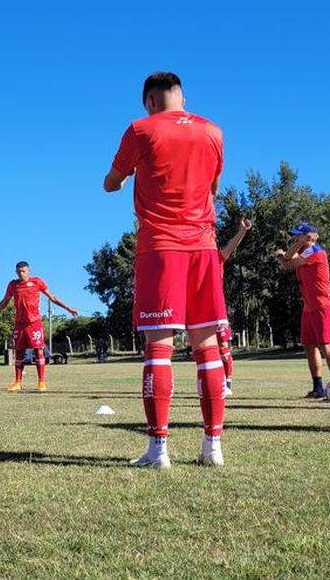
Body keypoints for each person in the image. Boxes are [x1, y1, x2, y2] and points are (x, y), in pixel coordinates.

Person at [104, 71, 228, 469]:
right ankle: (213, 447)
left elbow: (111, 182)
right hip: (204, 246)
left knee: (159, 346)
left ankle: (159, 450)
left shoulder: (141, 129)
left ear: (150, 102)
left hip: (160, 248)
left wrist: (126, 180)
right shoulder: (213, 132)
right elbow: (214, 189)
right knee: (207, 348)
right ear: (182, 97)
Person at [275, 222, 330, 399]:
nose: (295, 238)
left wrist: (283, 256)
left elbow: (287, 263)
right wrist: (286, 254)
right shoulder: (304, 251)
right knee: (309, 346)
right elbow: (289, 257)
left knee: (326, 346)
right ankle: (318, 388)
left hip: (324, 304)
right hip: (310, 306)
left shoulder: (315, 252)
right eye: (295, 235)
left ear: (309, 236)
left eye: (298, 235)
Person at [0, 261, 79, 392]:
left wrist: (69, 308)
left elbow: (52, 297)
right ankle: (17, 382)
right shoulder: (13, 285)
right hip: (20, 324)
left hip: (34, 323)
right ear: (15, 272)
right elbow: (5, 300)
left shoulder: (37, 282)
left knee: (38, 350)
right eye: (19, 272)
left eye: (23, 271)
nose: (21, 274)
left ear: (29, 271)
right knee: (19, 351)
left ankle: (41, 382)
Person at [217, 217, 252, 397]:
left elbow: (231, 246)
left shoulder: (217, 258)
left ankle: (227, 383)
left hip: (216, 307)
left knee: (223, 347)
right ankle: (214, 382)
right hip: (197, 309)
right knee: (204, 350)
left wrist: (242, 231)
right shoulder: (192, 259)